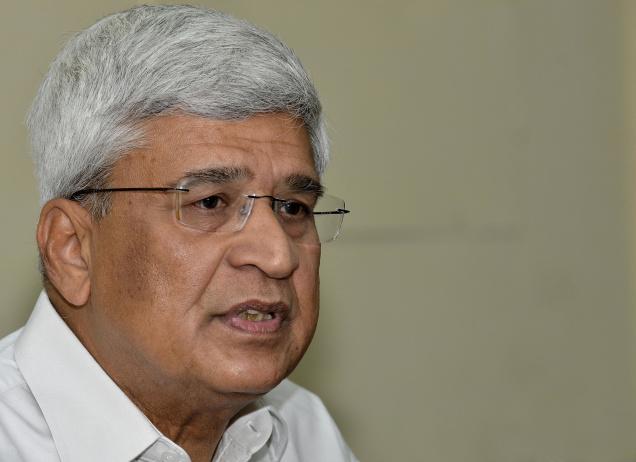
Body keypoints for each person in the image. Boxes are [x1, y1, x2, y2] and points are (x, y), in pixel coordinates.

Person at [0, 5, 355, 462]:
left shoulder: (304, 432)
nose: (278, 255)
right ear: (72, 249)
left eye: (293, 207)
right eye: (210, 203)